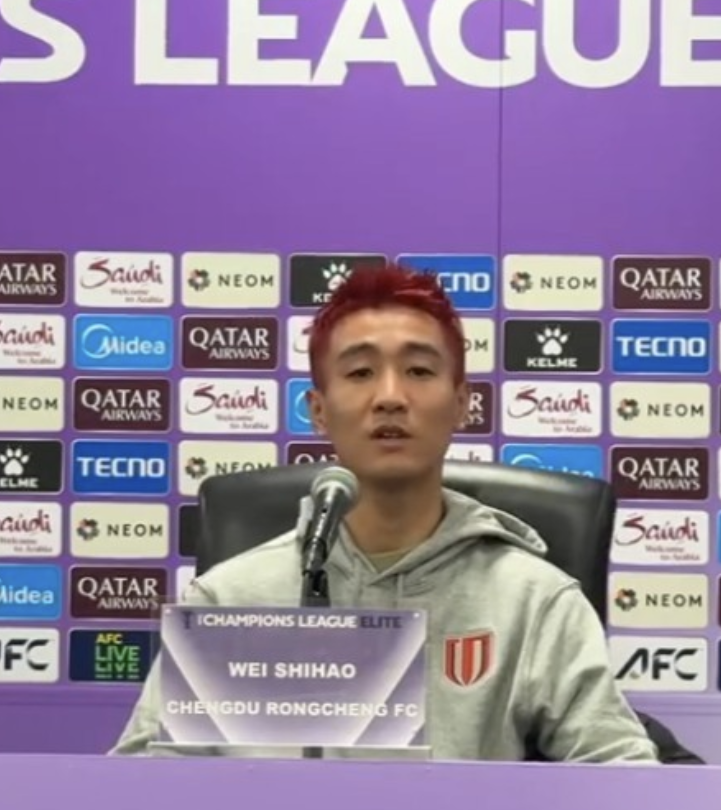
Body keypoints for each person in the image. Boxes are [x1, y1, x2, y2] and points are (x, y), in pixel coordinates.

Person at [111, 262, 660, 763]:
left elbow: (622, 775)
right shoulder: (229, 600)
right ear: (318, 410)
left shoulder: (533, 602)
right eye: (359, 373)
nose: (390, 396)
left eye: (419, 371)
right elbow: (142, 784)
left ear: (462, 403)